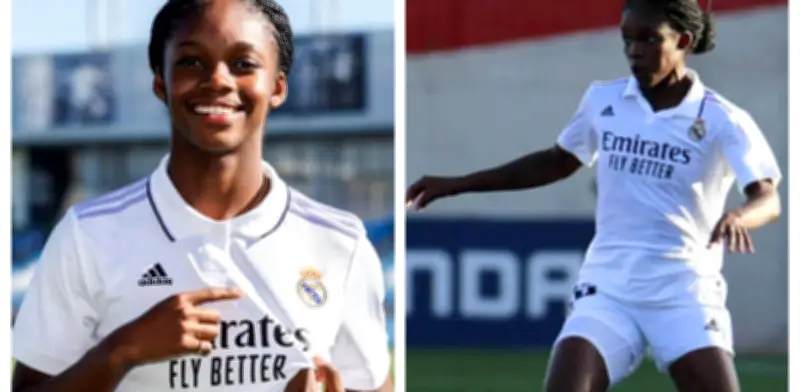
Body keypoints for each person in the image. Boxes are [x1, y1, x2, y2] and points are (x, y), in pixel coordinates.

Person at [12, 1, 393, 391]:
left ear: (277, 87)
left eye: (243, 64)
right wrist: (122, 350)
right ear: (161, 83)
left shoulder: (340, 242)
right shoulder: (87, 236)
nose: (218, 80)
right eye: (192, 62)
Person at [405, 0, 782, 391]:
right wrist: (457, 183)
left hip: (684, 294)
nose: (634, 51)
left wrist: (741, 215)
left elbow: (768, 198)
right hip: (609, 290)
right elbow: (554, 162)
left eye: (649, 39)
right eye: (627, 39)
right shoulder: (604, 100)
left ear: (683, 41)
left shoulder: (723, 119)